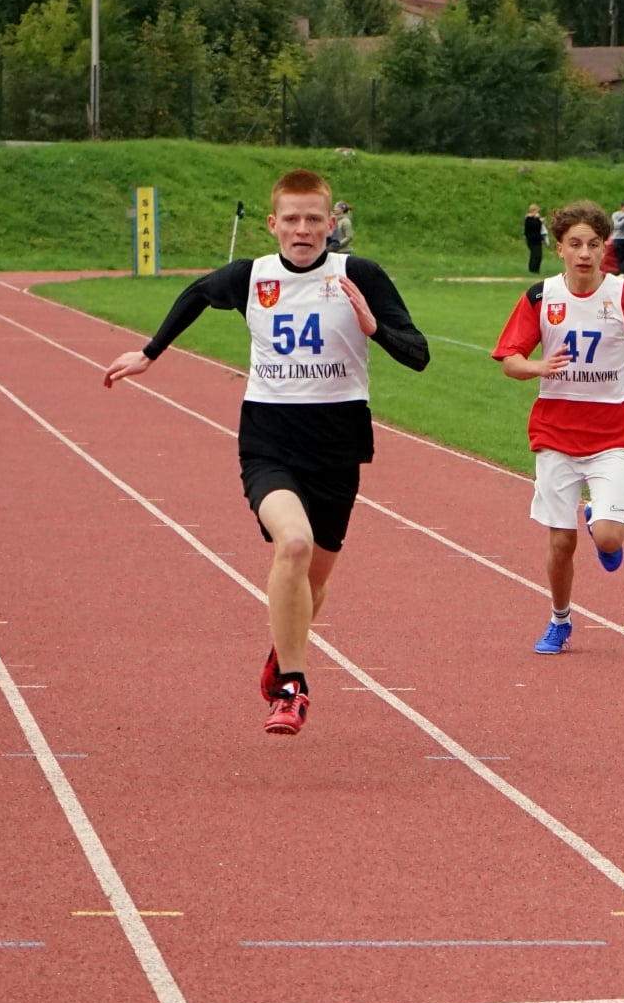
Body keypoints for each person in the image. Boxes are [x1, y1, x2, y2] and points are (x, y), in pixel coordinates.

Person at [102, 169, 430, 734]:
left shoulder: (359, 275)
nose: (303, 229)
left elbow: (418, 354)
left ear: (330, 224)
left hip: (338, 443)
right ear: (274, 223)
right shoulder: (251, 277)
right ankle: (292, 688)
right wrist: (151, 352)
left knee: (313, 582)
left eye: (314, 219)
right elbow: (197, 293)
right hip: (269, 439)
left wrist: (373, 327)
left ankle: (284, 649)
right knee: (293, 544)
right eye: (292, 219)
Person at [491, 201, 624, 655]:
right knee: (561, 542)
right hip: (555, 434)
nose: (585, 253)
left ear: (605, 247)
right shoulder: (541, 297)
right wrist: (537, 367)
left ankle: (598, 518)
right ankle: (560, 619)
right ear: (559, 248)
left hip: (610, 436)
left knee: (610, 538)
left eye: (593, 244)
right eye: (575, 244)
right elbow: (509, 360)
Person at [524, 203, 546, 275]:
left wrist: (539, 220)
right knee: (536, 255)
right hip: (532, 240)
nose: (538, 213)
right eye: (537, 211)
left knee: (536, 255)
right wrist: (538, 220)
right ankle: (533, 269)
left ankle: (535, 269)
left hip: (537, 239)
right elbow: (535, 226)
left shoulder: (533, 219)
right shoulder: (529, 219)